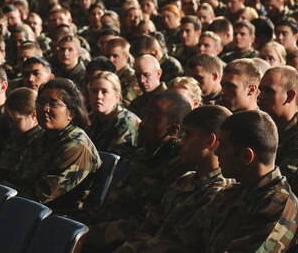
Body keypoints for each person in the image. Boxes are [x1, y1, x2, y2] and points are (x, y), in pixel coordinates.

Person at [156, 110, 298, 252]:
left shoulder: (280, 205)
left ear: (246, 156)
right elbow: (180, 239)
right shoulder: (230, 193)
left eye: (223, 146)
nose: (216, 153)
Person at [82, 91, 192, 251]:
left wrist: (92, 234)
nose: (143, 123)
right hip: (105, 228)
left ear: (174, 130)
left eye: (153, 118)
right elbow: (112, 204)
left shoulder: (178, 166)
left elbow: (148, 222)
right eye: (145, 114)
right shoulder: (141, 154)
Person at [116, 105, 233, 252]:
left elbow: (181, 245)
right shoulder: (185, 179)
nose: (181, 142)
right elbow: (148, 226)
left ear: (209, 141)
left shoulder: (219, 193)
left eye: (188, 135)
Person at [0, 78, 100, 208]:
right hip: (27, 207)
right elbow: (16, 177)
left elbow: (44, 193)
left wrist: (3, 200)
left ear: (71, 112)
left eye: (54, 104)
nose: (45, 108)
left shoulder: (77, 146)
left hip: (58, 216)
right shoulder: (42, 138)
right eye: (41, 102)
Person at [0, 87, 45, 182]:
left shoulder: (42, 141)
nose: (10, 125)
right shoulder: (15, 136)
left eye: (16, 120)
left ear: (33, 115)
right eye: (8, 119)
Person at [258, 66, 298, 192]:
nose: (261, 97)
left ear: (290, 96)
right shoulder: (261, 127)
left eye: (269, 91)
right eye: (261, 90)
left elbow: (285, 182)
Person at [87, 72, 140, 157]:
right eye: (94, 91)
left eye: (104, 92)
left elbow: (116, 161)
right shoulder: (92, 119)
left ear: (117, 97)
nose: (98, 96)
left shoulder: (126, 121)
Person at [128, 54, 166, 119]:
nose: (142, 80)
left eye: (147, 75)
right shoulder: (137, 102)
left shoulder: (168, 101)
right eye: (138, 75)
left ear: (158, 74)